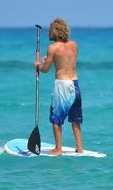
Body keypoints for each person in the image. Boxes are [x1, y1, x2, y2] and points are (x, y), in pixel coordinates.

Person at [34, 18, 83, 155]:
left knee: (56, 119)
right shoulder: (74, 45)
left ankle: (58, 149)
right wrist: (49, 59)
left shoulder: (53, 48)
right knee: (75, 119)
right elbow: (65, 60)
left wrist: (38, 65)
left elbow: (45, 70)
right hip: (75, 84)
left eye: (50, 31)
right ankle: (79, 147)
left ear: (55, 31)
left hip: (62, 86)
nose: (48, 33)